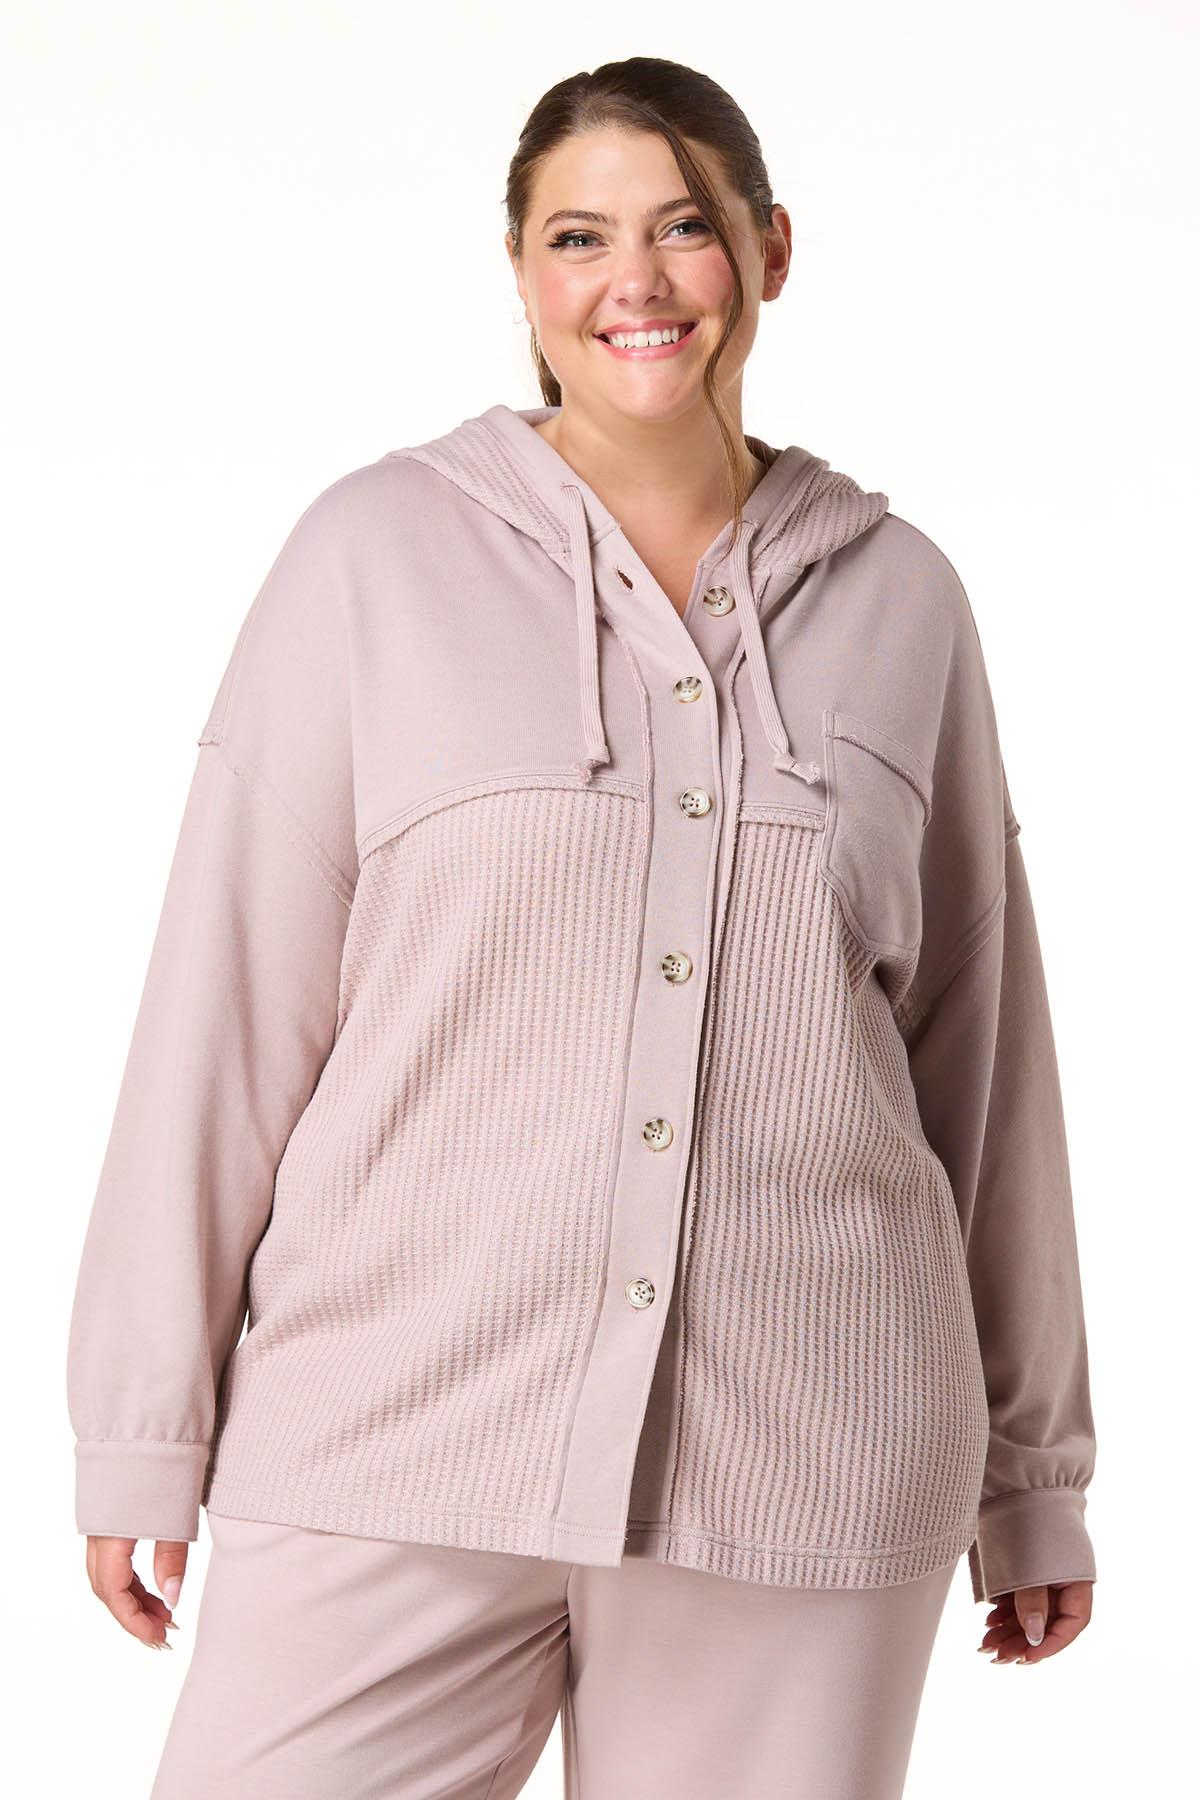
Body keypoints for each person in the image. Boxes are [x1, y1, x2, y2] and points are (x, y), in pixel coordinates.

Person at [66, 55, 1098, 1800]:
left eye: (684, 228)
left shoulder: (904, 599)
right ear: (523, 274)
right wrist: (142, 1427)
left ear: (769, 251)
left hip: (804, 1461)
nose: (636, 281)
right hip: (393, 1432)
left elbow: (982, 1059)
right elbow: (221, 1015)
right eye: (578, 237)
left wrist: (1034, 1470)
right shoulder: (372, 558)